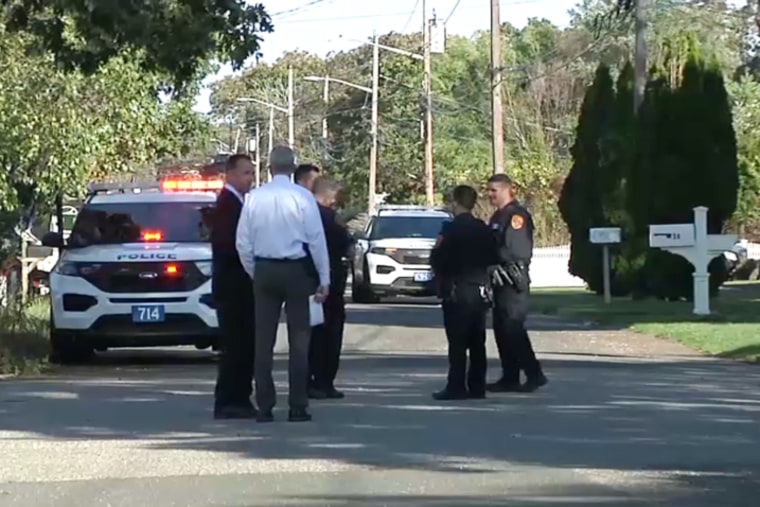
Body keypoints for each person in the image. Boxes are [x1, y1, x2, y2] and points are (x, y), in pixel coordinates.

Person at [236, 146, 330, 423]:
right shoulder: (302, 197)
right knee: (299, 341)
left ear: (269, 167)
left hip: (265, 268)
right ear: (292, 168)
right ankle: (297, 406)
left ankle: (265, 405)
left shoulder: (254, 198)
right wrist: (324, 279)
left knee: (262, 342)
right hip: (296, 270)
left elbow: (242, 243)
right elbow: (316, 240)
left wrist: (256, 272)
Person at [430, 185, 499, 400]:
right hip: (479, 290)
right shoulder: (484, 229)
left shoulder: (449, 230)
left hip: (456, 290)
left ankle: (456, 386)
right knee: (477, 341)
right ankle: (477, 386)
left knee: (458, 342)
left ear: (456, 203)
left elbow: (437, 259)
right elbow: (494, 257)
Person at [485, 173, 548, 393]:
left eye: (494, 190)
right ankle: (509, 376)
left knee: (513, 328)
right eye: (489, 190)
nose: (490, 194)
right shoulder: (497, 217)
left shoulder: (516, 217)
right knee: (502, 329)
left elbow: (516, 250)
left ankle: (534, 374)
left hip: (513, 278)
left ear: (509, 189)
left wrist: (494, 258)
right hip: (499, 279)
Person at [212, 154, 256, 419]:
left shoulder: (239, 203)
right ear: (229, 174)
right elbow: (231, 247)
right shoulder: (228, 205)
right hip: (233, 286)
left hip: (238, 285)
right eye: (245, 173)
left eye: (252, 173)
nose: (250, 178)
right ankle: (231, 400)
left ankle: (239, 396)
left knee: (243, 343)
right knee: (236, 345)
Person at [308, 176, 352, 400]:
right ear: (328, 196)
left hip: (307, 283)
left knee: (308, 335)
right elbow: (346, 246)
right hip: (330, 285)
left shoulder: (303, 215)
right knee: (330, 335)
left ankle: (305, 381)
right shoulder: (330, 219)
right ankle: (324, 382)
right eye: (335, 198)